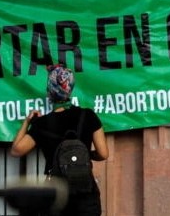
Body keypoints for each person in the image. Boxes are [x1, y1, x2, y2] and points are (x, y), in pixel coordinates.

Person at [10, 65, 109, 216]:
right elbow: (103, 153)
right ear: (70, 89)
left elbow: (16, 150)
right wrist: (88, 155)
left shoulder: (42, 123)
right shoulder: (88, 116)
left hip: (56, 194)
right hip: (85, 192)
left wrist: (27, 122)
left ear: (50, 91)